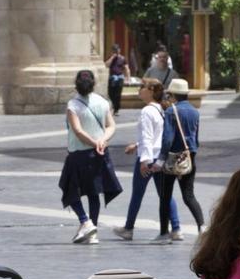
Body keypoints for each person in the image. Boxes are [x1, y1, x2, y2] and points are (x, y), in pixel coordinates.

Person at [112, 78, 182, 243]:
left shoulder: (147, 111)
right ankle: (176, 228)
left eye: (142, 87)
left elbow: (148, 137)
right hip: (161, 157)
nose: (139, 89)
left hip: (149, 158)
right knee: (165, 194)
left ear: (150, 91)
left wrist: (144, 160)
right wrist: (137, 145)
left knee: (137, 193)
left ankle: (128, 228)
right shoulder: (162, 109)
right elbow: (159, 136)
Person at [57, 70, 122, 244]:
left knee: (70, 190)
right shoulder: (102, 102)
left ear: (75, 84)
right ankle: (93, 232)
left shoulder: (73, 105)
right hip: (99, 154)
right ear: (94, 83)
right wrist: (101, 141)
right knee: (94, 193)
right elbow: (111, 126)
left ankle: (85, 221)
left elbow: (78, 131)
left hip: (78, 154)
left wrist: (94, 142)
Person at [158, 79, 204, 237]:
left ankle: (164, 232)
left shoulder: (171, 111)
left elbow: (168, 139)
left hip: (172, 157)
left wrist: (161, 158)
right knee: (189, 195)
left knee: (165, 195)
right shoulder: (194, 111)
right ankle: (201, 226)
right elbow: (195, 138)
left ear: (172, 94)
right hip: (189, 156)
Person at [105, 44, 130, 116]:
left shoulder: (122, 58)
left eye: (117, 50)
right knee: (111, 93)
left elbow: (127, 68)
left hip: (120, 77)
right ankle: (112, 106)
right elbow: (106, 65)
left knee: (118, 94)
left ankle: (116, 109)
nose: (116, 52)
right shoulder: (110, 58)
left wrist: (128, 79)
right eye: (114, 50)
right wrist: (112, 58)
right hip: (112, 77)